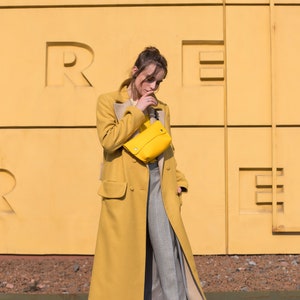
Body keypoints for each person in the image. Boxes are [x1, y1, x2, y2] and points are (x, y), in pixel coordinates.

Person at [88, 46, 206, 300]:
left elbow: (167, 148)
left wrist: (179, 182)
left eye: (158, 81)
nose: (153, 86)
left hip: (158, 184)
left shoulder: (162, 108)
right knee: (125, 259)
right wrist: (137, 111)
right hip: (124, 190)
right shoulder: (109, 102)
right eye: (149, 79)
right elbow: (109, 141)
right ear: (135, 72)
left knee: (166, 252)